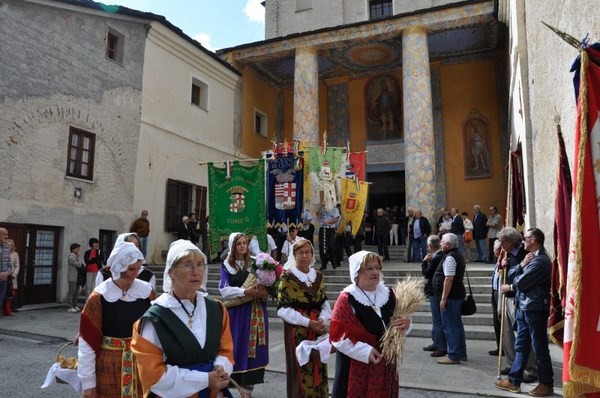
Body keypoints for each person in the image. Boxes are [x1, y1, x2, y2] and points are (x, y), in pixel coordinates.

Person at [132, 239, 234, 398]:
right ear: (171, 272)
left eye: (200, 264)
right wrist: (204, 379)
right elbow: (153, 375)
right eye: (187, 265)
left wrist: (220, 368)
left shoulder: (216, 309)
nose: (196, 271)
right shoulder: (155, 319)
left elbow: (226, 350)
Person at [78, 240, 154, 397]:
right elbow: (87, 341)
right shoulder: (99, 296)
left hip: (141, 361)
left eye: (138, 269)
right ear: (119, 268)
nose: (136, 274)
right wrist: (87, 382)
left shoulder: (146, 291)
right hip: (108, 362)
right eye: (131, 269)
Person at [330, 250, 411, 398]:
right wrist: (365, 351)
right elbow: (337, 335)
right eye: (369, 268)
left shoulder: (389, 295)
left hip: (385, 363)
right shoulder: (347, 298)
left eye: (378, 268)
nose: (375, 272)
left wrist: (406, 323)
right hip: (356, 365)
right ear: (357, 272)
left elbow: (397, 324)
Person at [495, 228, 553, 396]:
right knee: (521, 346)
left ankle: (546, 383)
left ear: (533, 239)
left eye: (526, 238)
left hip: (535, 308)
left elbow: (521, 282)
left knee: (539, 346)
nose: (523, 241)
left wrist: (513, 284)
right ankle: (514, 381)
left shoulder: (541, 260)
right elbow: (512, 274)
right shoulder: (529, 259)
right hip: (524, 306)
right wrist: (521, 265)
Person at [277, 238, 331, 398]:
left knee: (318, 364)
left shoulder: (318, 277)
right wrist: (308, 322)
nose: (305, 256)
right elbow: (282, 309)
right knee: (300, 368)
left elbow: (324, 302)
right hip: (297, 331)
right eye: (301, 253)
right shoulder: (287, 278)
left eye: (308, 252)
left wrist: (323, 319)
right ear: (294, 255)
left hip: (317, 330)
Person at [219, 233, 269, 398]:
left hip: (256, 311)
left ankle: (247, 392)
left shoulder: (256, 263)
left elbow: (268, 284)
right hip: (237, 314)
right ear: (232, 246)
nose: (242, 246)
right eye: (238, 243)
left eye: (244, 243)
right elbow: (224, 290)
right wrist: (245, 291)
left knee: (254, 351)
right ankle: (232, 387)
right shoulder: (227, 265)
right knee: (237, 348)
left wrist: (264, 294)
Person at [495, 228, 537, 383]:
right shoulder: (505, 255)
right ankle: (513, 363)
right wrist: (502, 266)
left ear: (512, 241)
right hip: (505, 298)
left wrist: (512, 287)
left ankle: (531, 368)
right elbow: (506, 275)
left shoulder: (524, 255)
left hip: (519, 299)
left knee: (522, 335)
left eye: (503, 241)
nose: (501, 244)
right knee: (506, 334)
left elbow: (527, 279)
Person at [434, 233, 467, 365]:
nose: (440, 243)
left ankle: (453, 355)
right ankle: (460, 352)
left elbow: (449, 278)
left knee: (450, 326)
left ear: (448, 244)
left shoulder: (450, 257)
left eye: (442, 241)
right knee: (457, 325)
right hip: (456, 295)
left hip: (452, 297)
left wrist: (443, 298)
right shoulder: (456, 255)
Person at [421, 235, 447, 357]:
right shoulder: (440, 255)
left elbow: (426, 273)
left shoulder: (437, 257)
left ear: (430, 246)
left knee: (437, 319)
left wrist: (425, 262)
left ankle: (440, 345)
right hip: (436, 290)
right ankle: (436, 342)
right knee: (436, 319)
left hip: (435, 291)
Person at [316, 201, 340, 270]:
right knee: (322, 248)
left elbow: (336, 219)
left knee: (331, 246)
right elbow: (317, 214)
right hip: (323, 228)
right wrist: (321, 206)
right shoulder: (322, 208)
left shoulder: (335, 209)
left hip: (331, 229)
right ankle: (324, 264)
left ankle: (333, 263)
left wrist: (328, 222)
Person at [3, 238, 20, 315]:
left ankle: (8, 311)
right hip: (3, 276)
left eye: (11, 245)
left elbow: (17, 266)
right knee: (2, 294)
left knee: (10, 295)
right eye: (8, 245)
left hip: (11, 278)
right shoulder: (2, 252)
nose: (9, 246)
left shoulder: (15, 254)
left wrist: (14, 275)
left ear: (13, 246)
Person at [66, 243, 84, 313]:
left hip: (77, 277)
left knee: (76, 293)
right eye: (77, 248)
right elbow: (79, 265)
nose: (78, 250)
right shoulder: (71, 257)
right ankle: (70, 307)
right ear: (73, 249)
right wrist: (79, 257)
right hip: (72, 277)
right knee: (72, 292)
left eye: (79, 248)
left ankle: (75, 305)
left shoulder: (75, 256)